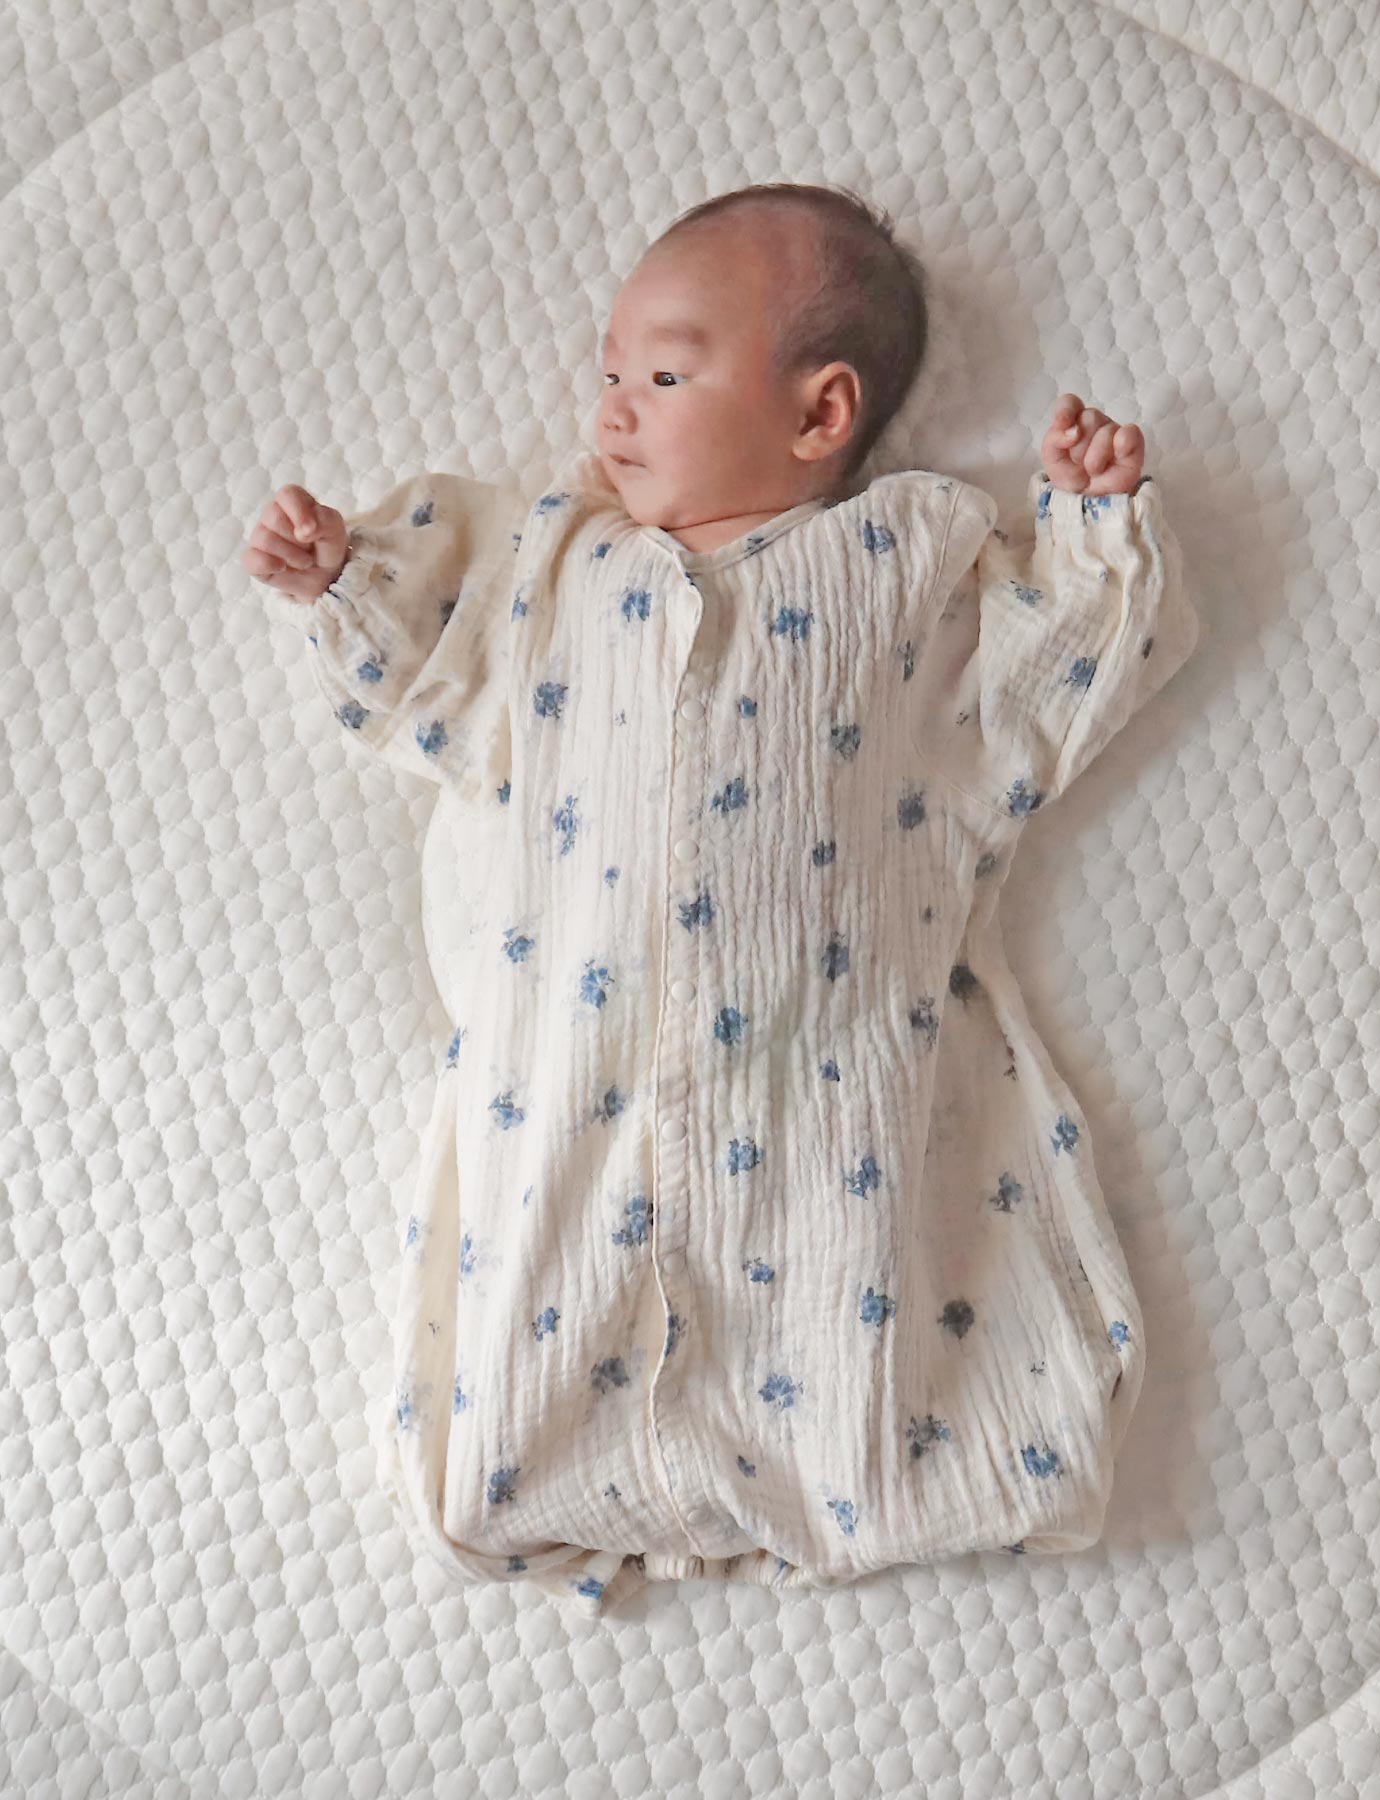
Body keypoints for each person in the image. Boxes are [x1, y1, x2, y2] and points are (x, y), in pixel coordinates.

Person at [240, 181, 1198, 1621]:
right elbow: (433, 673)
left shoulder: (902, 568)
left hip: (829, 1065)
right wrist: (341, 580)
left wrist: (1092, 529)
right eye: (610, 372)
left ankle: (853, 1472)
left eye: (666, 376)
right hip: (575, 1070)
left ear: (822, 414)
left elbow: (1046, 684)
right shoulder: (556, 569)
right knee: (545, 1289)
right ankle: (548, 1475)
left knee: (851, 1266)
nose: (614, 407)